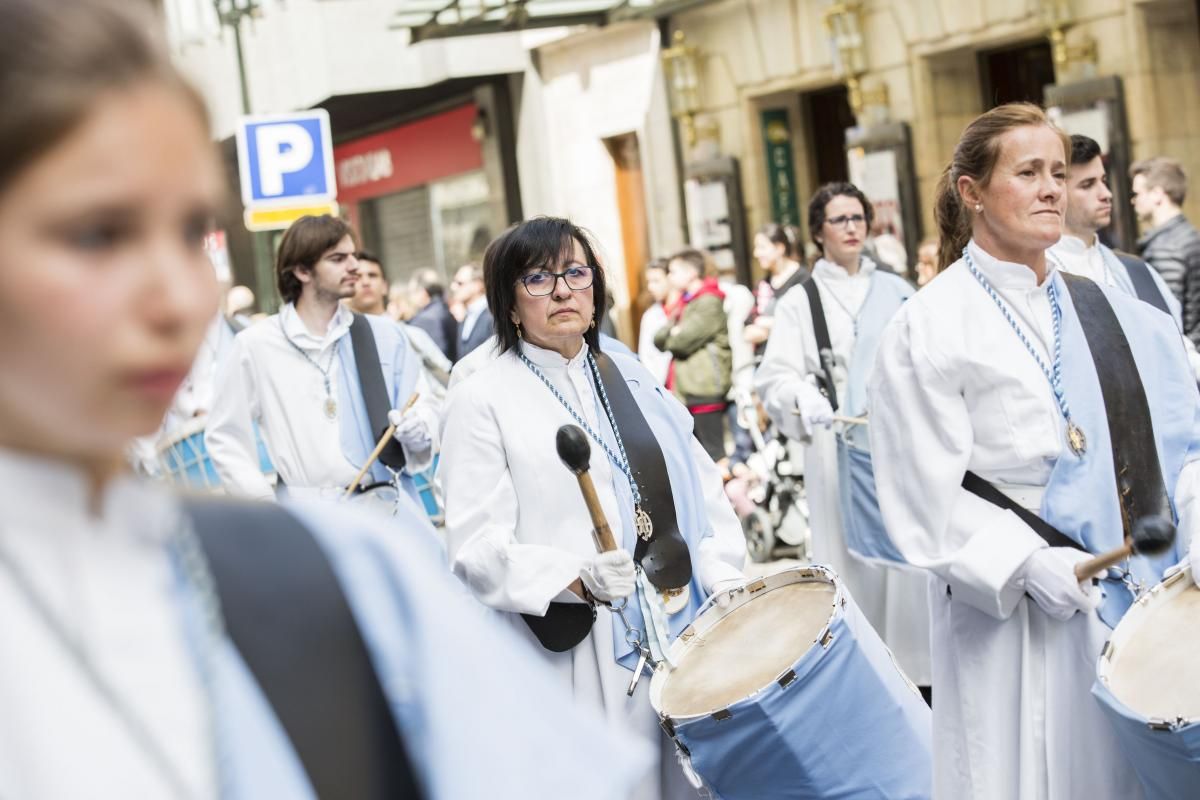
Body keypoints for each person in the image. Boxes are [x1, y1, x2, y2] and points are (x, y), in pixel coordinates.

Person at [0, 2, 647, 798]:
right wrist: (260, 498)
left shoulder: (334, 575)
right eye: (98, 233)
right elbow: (232, 440)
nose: (181, 299)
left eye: (186, 234)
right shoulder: (263, 360)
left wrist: (409, 434)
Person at [869, 102, 1200, 799]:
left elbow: (1179, 442)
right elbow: (920, 494)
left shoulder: (1113, 307)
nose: (1052, 187)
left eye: (1057, 172)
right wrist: (1021, 562)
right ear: (973, 193)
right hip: (1020, 618)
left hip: (1139, 601)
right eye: (1027, 173)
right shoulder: (929, 325)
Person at [440, 217, 747, 800]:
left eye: (575, 272)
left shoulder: (629, 372)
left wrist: (722, 570)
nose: (562, 291)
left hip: (680, 623)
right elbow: (475, 547)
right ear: (508, 304)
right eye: (537, 278)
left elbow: (699, 486)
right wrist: (574, 578)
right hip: (581, 653)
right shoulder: (484, 396)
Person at [753, 182, 931, 689]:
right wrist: (800, 397)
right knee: (853, 566)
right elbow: (774, 376)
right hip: (837, 448)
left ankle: (921, 676)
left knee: (909, 567)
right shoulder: (800, 301)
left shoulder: (896, 289)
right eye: (840, 220)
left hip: (898, 444)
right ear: (817, 232)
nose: (853, 228)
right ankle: (868, 675)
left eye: (859, 217)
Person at [206, 215, 440, 507]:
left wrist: (420, 427)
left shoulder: (386, 335)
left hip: (388, 507)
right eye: (339, 258)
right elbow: (226, 437)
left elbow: (424, 405)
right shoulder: (255, 345)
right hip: (308, 517)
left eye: (353, 255)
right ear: (303, 271)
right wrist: (264, 506)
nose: (355, 266)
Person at [1050, 135, 1200, 377]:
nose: (1106, 194)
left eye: (1103, 181)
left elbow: (1175, 346)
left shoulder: (1135, 270)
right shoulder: (1041, 273)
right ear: (1056, 193)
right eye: (1087, 185)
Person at [654, 248, 733, 461]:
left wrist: (675, 333)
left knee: (715, 457)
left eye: (673, 271)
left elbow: (682, 341)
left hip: (704, 390)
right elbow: (659, 338)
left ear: (691, 273)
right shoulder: (685, 302)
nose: (669, 277)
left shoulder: (708, 301)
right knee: (697, 460)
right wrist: (675, 331)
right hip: (686, 392)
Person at [352, 251, 452, 392]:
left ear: (385, 286)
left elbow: (443, 380)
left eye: (372, 275)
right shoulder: (343, 342)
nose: (366, 282)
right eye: (357, 276)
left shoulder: (413, 336)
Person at [1131, 156, 1200, 346]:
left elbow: (1164, 318)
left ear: (1157, 194)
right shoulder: (1190, 235)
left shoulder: (1166, 247)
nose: (1133, 201)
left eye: (1138, 193)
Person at [743, 223, 809, 356]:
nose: (756, 253)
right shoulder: (763, 284)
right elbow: (748, 331)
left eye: (762, 247)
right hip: (764, 363)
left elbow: (805, 322)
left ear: (780, 248)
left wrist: (767, 324)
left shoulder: (803, 279)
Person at [636, 259, 673, 385]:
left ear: (671, 279)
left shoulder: (687, 308)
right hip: (664, 388)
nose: (650, 287)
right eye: (648, 282)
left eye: (656, 281)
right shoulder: (650, 316)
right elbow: (645, 357)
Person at [408, 267, 458, 361]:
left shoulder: (427, 319)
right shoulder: (442, 309)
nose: (410, 298)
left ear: (423, 292)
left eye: (412, 292)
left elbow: (436, 360)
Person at [452, 263, 493, 360]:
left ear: (477, 285)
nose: (453, 287)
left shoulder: (492, 315)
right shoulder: (466, 315)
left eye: (460, 283)